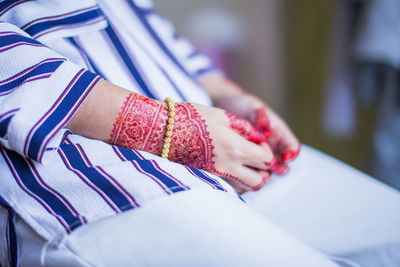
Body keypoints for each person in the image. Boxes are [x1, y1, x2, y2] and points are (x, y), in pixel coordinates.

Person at [0, 0, 399, 266]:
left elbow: (133, 23)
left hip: (217, 136)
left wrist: (226, 93)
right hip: (84, 171)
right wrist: (170, 130)